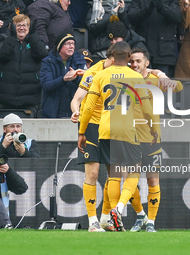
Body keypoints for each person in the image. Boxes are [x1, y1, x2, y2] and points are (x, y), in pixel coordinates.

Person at [78, 41, 158, 231]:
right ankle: (118, 208)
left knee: (113, 173)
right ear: (129, 57)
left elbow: (88, 106)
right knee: (133, 171)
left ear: (111, 56)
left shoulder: (100, 75)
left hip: (105, 129)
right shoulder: (135, 76)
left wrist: (82, 131)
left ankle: (109, 217)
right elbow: (146, 108)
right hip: (127, 129)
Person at [128, 47, 183, 232]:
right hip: (130, 138)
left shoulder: (154, 80)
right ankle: (140, 215)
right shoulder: (124, 79)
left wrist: (163, 76)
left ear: (146, 63)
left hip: (151, 139)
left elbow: (179, 87)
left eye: (138, 61)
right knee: (130, 181)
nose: (134, 64)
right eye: (132, 61)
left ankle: (151, 221)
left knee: (152, 180)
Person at [70, 45, 115, 232]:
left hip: (113, 126)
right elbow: (76, 99)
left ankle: (105, 218)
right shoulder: (93, 72)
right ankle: (92, 221)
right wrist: (76, 112)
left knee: (114, 175)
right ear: (110, 57)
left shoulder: (123, 73)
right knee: (93, 174)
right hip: (92, 126)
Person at [0, 14, 48, 118]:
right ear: (12, 27)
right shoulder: (3, 38)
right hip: (4, 99)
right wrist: (12, 38)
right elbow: (1, 55)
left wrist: (33, 35)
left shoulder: (35, 40)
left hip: (30, 100)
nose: (21, 28)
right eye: (18, 25)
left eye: (25, 25)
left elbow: (42, 54)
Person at [127, 0, 183, 77]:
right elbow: (131, 17)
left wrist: (161, 7)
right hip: (143, 52)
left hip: (164, 53)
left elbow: (177, 17)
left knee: (164, 86)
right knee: (140, 85)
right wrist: (147, 10)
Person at [40, 32, 86, 118]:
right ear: (59, 46)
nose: (71, 46)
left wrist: (75, 79)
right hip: (53, 111)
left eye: (73, 44)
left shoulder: (80, 59)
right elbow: (46, 85)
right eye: (68, 44)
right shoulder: (48, 61)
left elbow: (88, 82)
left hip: (75, 110)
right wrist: (63, 79)